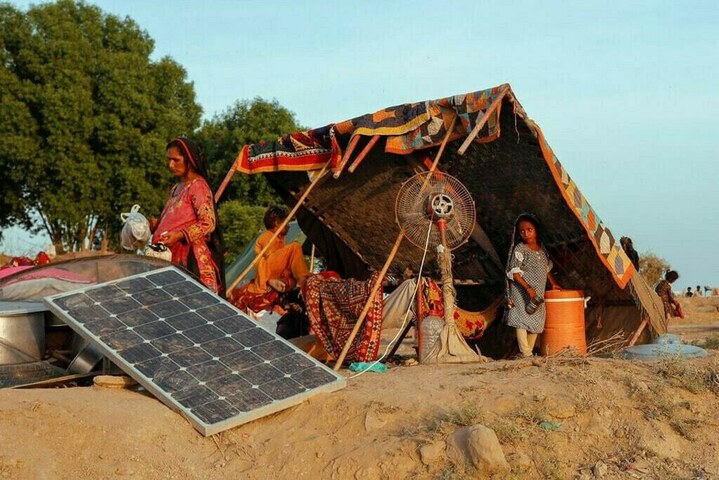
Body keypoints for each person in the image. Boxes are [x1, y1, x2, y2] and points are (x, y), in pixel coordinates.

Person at [150, 137, 225, 296]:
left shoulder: (198, 186)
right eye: (169, 160)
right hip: (169, 256)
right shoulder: (177, 188)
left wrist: (179, 235)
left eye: (175, 160)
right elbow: (171, 219)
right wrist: (151, 225)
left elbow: (208, 222)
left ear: (189, 160)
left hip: (190, 260)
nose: (170, 165)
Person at [230, 205, 309, 313]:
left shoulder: (280, 239)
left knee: (292, 276)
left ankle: (295, 286)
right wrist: (271, 280)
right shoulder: (268, 237)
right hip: (267, 273)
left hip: (274, 273)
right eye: (286, 222)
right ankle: (302, 281)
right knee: (295, 247)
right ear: (277, 223)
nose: (289, 226)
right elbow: (267, 261)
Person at [505, 214, 561, 358]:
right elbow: (515, 273)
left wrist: (553, 283)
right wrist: (528, 288)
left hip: (538, 291)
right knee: (521, 319)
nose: (526, 233)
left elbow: (546, 268)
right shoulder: (520, 249)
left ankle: (525, 355)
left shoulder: (542, 249)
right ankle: (527, 353)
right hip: (521, 289)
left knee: (537, 321)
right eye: (522, 231)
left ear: (536, 230)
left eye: (529, 229)